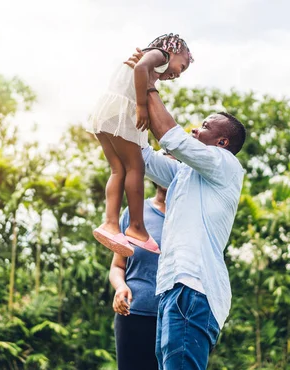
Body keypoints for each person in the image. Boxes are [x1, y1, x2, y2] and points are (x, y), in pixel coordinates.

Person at [124, 50, 247, 369]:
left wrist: (150, 78)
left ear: (221, 142)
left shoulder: (225, 164)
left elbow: (171, 137)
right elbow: (142, 157)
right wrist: (132, 89)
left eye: (205, 127)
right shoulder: (183, 174)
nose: (196, 130)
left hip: (194, 289)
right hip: (171, 290)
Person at [88, 34, 194, 257]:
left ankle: (110, 224)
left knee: (118, 170)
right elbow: (139, 70)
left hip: (106, 114)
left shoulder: (151, 63)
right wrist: (141, 107)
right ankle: (137, 228)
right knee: (136, 167)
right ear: (172, 50)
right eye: (181, 66)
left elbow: (140, 71)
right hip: (122, 113)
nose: (177, 75)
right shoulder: (160, 55)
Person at [110, 182, 166, 370]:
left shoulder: (188, 216)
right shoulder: (135, 213)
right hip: (133, 315)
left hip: (173, 320)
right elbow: (118, 266)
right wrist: (120, 287)